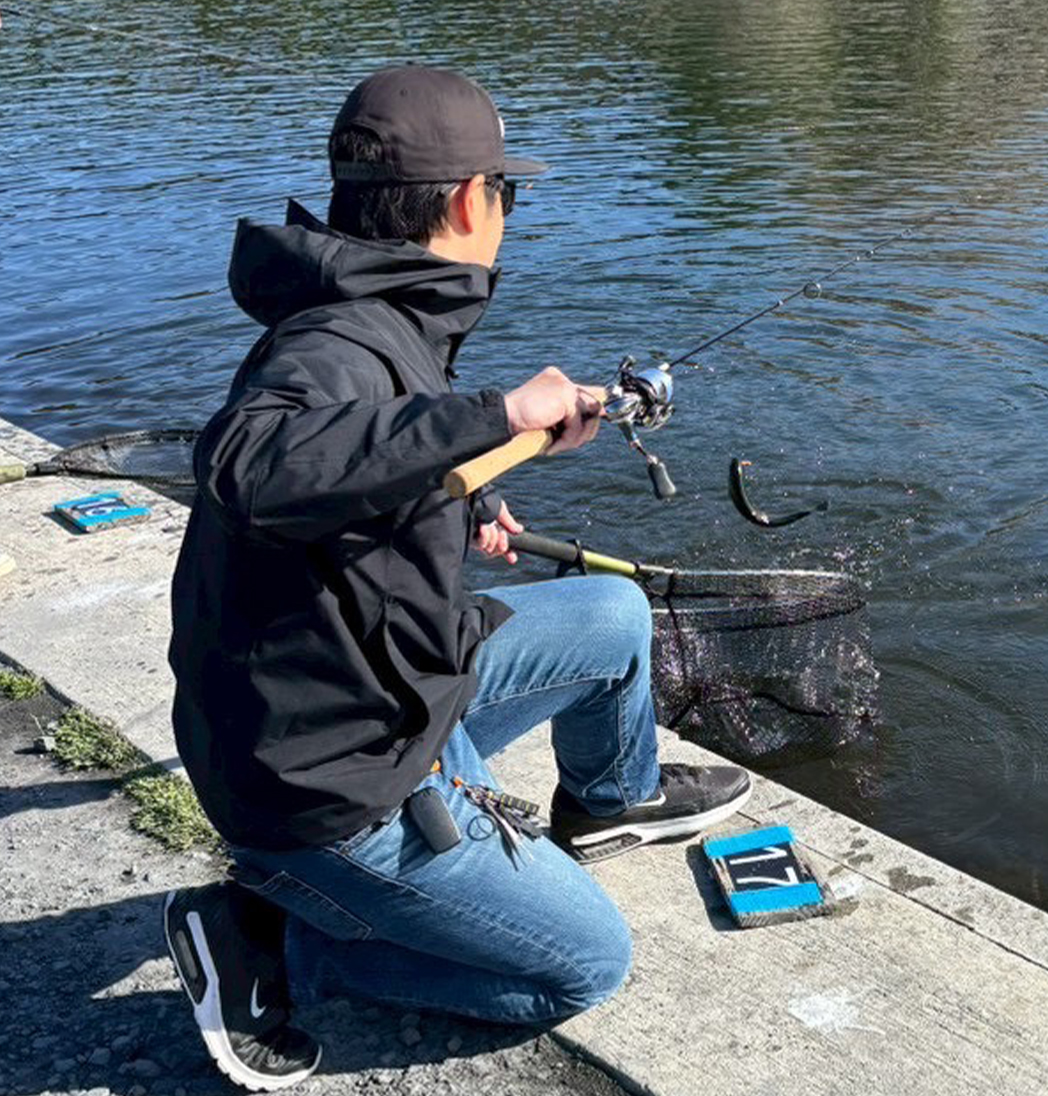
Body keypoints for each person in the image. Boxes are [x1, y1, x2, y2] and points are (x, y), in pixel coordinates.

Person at [159, 65, 751, 1091]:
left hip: (380, 687)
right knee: (584, 963)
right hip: (330, 780)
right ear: (473, 200)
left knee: (612, 614)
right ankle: (274, 941)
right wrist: (494, 417)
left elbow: (358, 463)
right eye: (507, 194)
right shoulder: (332, 344)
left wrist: (464, 486)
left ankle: (613, 799)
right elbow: (257, 464)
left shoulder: (378, 318)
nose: (508, 215)